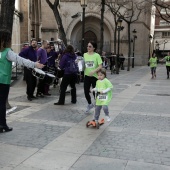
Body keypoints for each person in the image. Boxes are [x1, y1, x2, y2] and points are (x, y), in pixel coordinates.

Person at [0, 32, 44, 133]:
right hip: (3, 80)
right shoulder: (7, 52)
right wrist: (34, 64)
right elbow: (20, 60)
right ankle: (2, 124)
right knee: (2, 103)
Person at [83, 41, 103, 113]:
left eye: (90, 46)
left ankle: (97, 104)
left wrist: (94, 71)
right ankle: (89, 104)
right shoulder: (84, 55)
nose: (88, 47)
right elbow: (83, 64)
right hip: (87, 76)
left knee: (95, 92)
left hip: (95, 76)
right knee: (86, 91)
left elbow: (100, 66)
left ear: (94, 48)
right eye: (87, 46)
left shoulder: (97, 55)